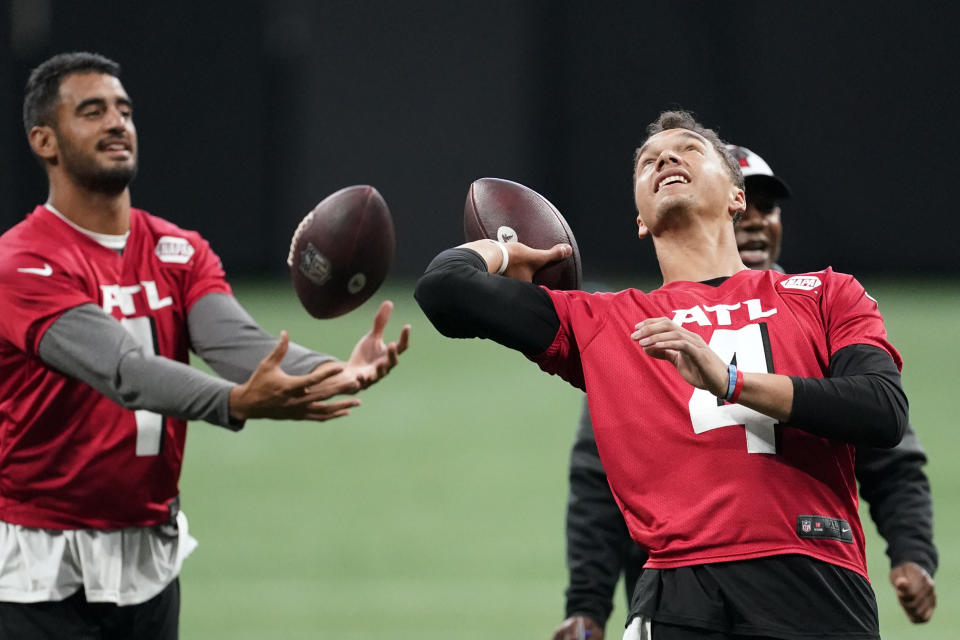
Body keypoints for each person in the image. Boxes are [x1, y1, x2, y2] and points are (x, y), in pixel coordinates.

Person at [416, 110, 908, 639]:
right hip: (679, 592)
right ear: (641, 221)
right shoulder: (604, 321)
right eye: (649, 162)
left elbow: (882, 411)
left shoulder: (827, 294)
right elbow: (444, 290)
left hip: (814, 576)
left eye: (690, 150)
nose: (666, 158)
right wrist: (504, 247)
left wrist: (731, 382)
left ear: (737, 197)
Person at [0, 52, 410, 640]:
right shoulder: (22, 261)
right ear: (45, 140)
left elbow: (238, 344)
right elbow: (126, 370)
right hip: (44, 564)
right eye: (92, 112)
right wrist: (235, 404)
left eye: (124, 110)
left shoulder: (179, 248)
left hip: (150, 553)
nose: (117, 123)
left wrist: (333, 370)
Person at [552, 146, 937, 639]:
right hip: (681, 599)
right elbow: (596, 481)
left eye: (768, 209)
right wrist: (586, 603)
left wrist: (912, 551)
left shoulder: (819, 306)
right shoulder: (648, 333)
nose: (756, 223)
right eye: (746, 208)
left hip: (804, 590)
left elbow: (887, 444)